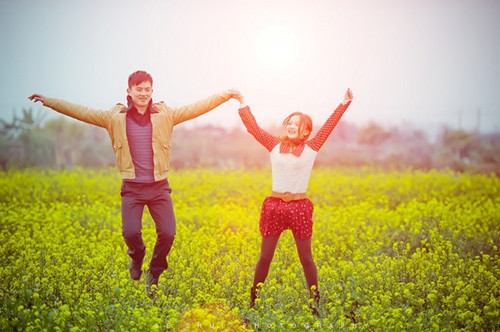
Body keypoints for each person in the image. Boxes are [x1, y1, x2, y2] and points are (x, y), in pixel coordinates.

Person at [29, 70, 241, 296]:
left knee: (168, 234)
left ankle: (154, 271)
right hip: (132, 187)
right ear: (129, 91)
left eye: (147, 89)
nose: (143, 94)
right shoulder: (114, 117)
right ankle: (137, 258)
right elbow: (81, 112)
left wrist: (224, 95)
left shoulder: (165, 114)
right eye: (139, 89)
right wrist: (49, 102)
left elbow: (196, 107)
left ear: (152, 91)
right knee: (130, 232)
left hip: (159, 186)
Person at [235, 88, 353, 315]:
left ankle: (315, 301)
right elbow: (252, 128)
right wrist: (242, 103)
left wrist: (343, 103)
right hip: (274, 206)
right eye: (289, 121)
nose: (290, 125)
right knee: (265, 257)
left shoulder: (311, 147)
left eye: (296, 123)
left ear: (306, 131)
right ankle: (254, 300)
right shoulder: (274, 145)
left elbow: (329, 125)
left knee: (306, 258)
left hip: (299, 208)